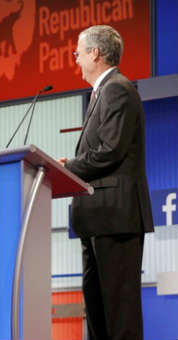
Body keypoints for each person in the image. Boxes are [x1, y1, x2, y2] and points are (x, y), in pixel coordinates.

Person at [58, 25, 153, 339]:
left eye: (78, 53)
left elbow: (110, 151)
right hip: (97, 218)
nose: (76, 60)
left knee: (118, 313)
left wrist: (68, 168)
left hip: (115, 217)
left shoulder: (116, 89)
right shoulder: (102, 92)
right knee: (99, 312)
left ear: (94, 53)